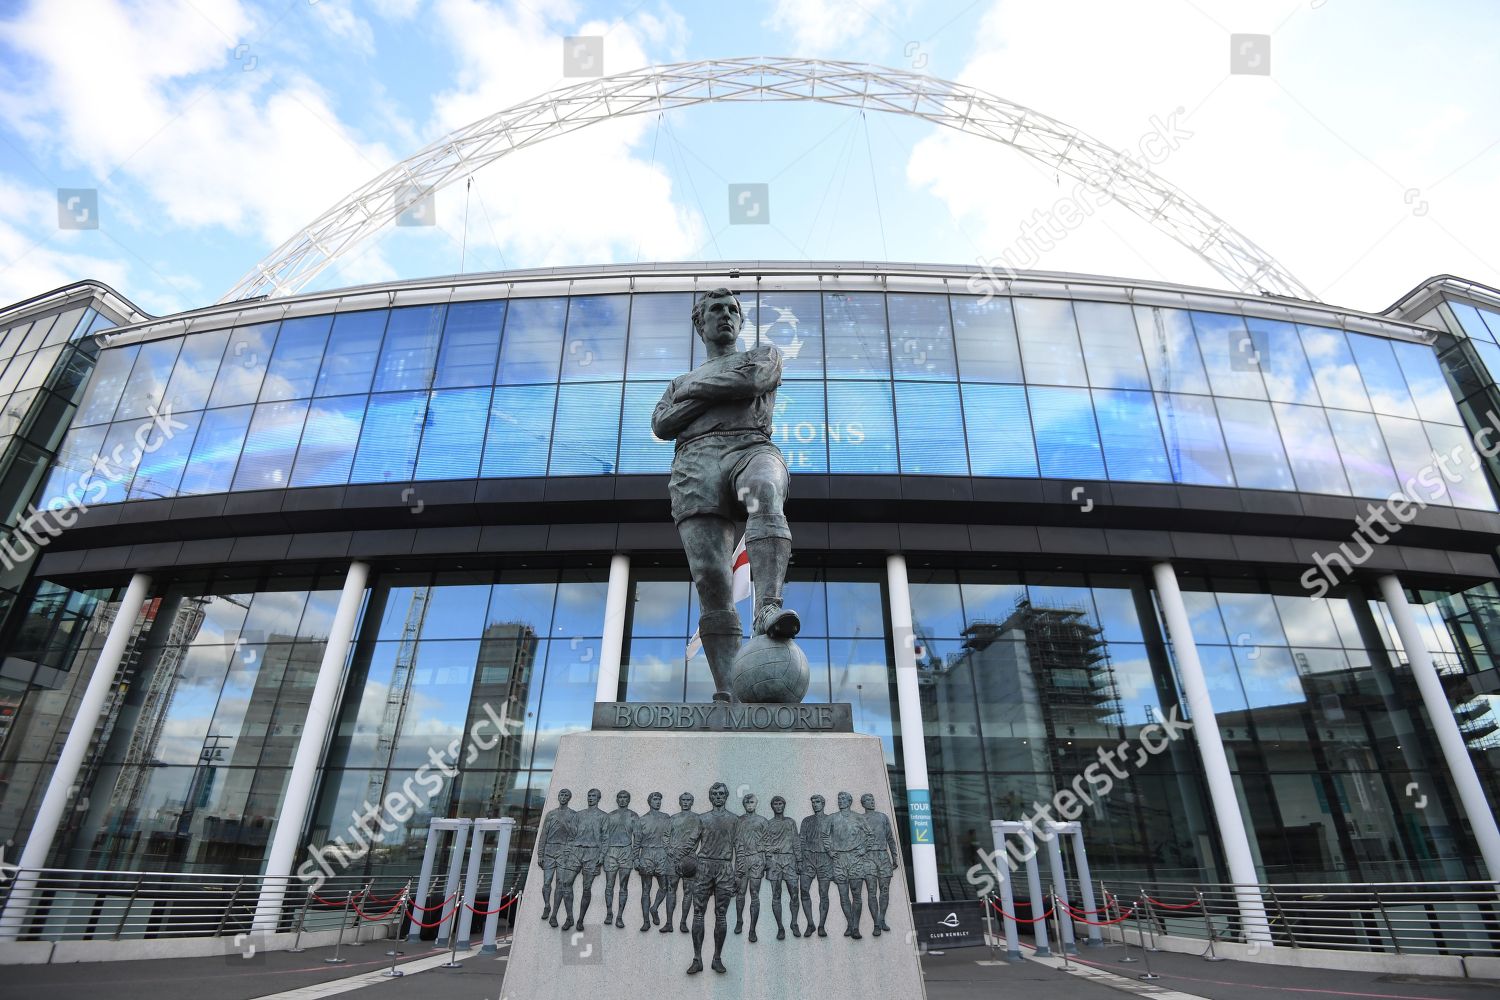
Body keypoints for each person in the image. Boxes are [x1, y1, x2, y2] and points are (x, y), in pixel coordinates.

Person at [652, 288, 798, 701]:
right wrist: (722, 388)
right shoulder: (675, 383)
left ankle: (767, 607)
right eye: (716, 309)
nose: (726, 315)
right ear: (700, 324)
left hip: (750, 446)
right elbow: (662, 425)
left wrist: (694, 392)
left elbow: (753, 379)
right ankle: (730, 690)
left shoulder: (763, 355)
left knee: (764, 489)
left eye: (733, 309)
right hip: (694, 464)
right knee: (711, 577)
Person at [685, 782, 737, 975]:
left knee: (721, 913)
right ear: (710, 797)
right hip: (704, 866)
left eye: (721, 794)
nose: (718, 797)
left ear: (726, 796)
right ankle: (697, 959)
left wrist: (739, 874)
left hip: (724, 867)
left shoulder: (734, 820)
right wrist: (680, 861)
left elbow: (739, 847)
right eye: (714, 794)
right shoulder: (702, 818)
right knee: (698, 912)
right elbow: (691, 843)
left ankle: (717, 958)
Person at [825, 791, 874, 939]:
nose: (840, 801)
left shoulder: (858, 817)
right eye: (839, 798)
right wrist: (830, 851)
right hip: (839, 859)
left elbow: (870, 835)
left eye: (843, 799)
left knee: (856, 894)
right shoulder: (832, 818)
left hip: (854, 858)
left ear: (849, 801)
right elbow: (824, 836)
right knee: (843, 895)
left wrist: (864, 849)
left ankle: (856, 927)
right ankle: (850, 924)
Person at [535, 787, 577, 926]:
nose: (563, 797)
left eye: (566, 795)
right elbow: (543, 835)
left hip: (563, 852)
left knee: (560, 883)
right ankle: (547, 905)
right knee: (547, 882)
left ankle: (554, 914)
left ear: (569, 798)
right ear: (558, 797)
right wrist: (540, 853)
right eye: (561, 795)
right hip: (549, 850)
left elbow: (574, 836)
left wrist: (568, 851)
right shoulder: (551, 814)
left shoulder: (573, 815)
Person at [661, 791, 701, 934]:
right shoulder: (673, 818)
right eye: (683, 800)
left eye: (688, 800)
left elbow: (695, 838)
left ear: (692, 802)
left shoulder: (697, 819)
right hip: (672, 858)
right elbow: (665, 836)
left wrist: (682, 853)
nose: (685, 802)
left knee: (688, 891)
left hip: (689, 859)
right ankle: (668, 923)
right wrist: (668, 849)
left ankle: (683, 922)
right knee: (671, 889)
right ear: (680, 802)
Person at [764, 795, 802, 940]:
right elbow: (764, 843)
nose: (778, 806)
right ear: (772, 806)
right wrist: (769, 856)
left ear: (784, 805)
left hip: (790, 860)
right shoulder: (768, 823)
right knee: (776, 895)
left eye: (780, 804)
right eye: (776, 804)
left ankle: (794, 923)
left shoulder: (790, 822)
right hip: (775, 861)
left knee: (794, 894)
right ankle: (780, 927)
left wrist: (799, 860)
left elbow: (796, 841)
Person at [569, 788, 608, 931]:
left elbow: (606, 838)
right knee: (566, 882)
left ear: (598, 799)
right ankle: (569, 917)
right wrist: (569, 851)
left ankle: (580, 919)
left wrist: (602, 856)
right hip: (576, 851)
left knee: (587, 888)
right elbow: (571, 835)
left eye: (593, 796)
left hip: (593, 853)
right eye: (589, 795)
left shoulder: (603, 816)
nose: (591, 798)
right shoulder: (579, 815)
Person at [860, 792, 899, 933]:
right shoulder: (860, 819)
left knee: (884, 889)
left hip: (883, 856)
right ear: (863, 803)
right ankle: (876, 924)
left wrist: (894, 856)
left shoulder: (883, 817)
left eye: (872, 799)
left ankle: (881, 918)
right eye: (868, 800)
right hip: (868, 857)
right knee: (871, 890)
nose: (872, 801)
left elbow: (890, 838)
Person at [733, 792, 769, 941]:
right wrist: (740, 859)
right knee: (740, 892)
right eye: (747, 802)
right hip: (742, 858)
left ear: (756, 804)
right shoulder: (739, 820)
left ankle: (752, 929)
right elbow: (736, 841)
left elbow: (767, 841)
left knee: (754, 893)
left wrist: (766, 860)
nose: (749, 805)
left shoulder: (762, 821)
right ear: (744, 804)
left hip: (757, 859)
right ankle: (739, 920)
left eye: (752, 802)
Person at [601, 789, 639, 929]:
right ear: (617, 800)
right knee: (609, 885)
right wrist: (602, 854)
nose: (622, 800)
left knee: (623, 886)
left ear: (628, 800)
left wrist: (635, 856)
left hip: (626, 852)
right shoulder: (610, 816)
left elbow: (638, 838)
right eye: (620, 797)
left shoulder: (633, 816)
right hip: (611, 851)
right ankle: (609, 913)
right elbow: (604, 837)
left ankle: (620, 916)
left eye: (625, 797)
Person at [635, 791, 672, 931]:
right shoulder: (642, 820)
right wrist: (635, 858)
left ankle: (654, 907)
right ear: (649, 801)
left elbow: (669, 836)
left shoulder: (666, 818)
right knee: (646, 889)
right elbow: (637, 841)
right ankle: (646, 921)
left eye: (659, 799)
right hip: (646, 854)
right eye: (655, 799)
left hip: (661, 854)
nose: (657, 802)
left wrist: (669, 853)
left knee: (664, 887)